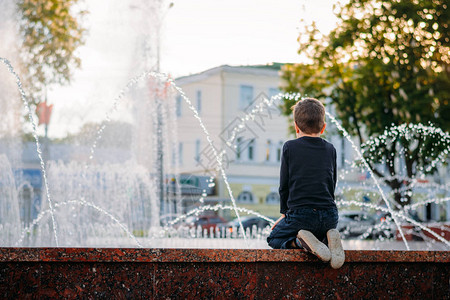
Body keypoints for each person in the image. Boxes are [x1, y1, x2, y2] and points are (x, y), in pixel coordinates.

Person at [267, 98, 345, 269]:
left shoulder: (289, 147)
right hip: (330, 216)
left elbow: (284, 186)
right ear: (323, 127)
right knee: (317, 232)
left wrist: (283, 214)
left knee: (273, 238)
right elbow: (332, 183)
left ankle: (300, 243)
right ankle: (328, 238)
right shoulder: (331, 149)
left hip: (301, 216)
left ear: (296, 126)